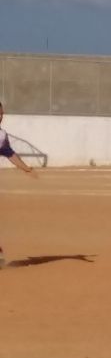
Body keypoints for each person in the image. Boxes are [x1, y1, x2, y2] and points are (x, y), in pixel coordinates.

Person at [0, 101, 39, 269]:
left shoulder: (1, 135)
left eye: (2, 114)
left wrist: (26, 168)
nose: (1, 117)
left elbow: (10, 154)